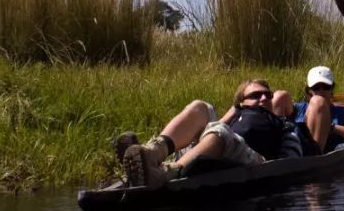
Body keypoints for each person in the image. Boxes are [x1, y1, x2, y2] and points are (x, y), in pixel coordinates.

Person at [118, 78, 300, 189]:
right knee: (200, 107)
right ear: (240, 103)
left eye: (268, 95)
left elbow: (292, 161)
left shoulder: (281, 125)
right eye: (255, 96)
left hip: (257, 160)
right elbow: (213, 129)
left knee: (221, 131)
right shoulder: (234, 117)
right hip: (221, 145)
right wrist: (232, 113)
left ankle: (165, 174)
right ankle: (152, 153)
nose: (264, 99)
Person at [291, 65, 344, 155]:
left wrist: (333, 128)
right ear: (309, 91)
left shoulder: (343, 112)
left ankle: (313, 157)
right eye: (316, 88)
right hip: (297, 155)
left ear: (332, 88)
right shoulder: (299, 108)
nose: (321, 91)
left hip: (322, 160)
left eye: (326, 86)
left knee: (318, 102)